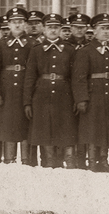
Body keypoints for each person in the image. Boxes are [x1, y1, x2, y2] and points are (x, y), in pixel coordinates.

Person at [24, 13, 77, 168]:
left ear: (60, 29)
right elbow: (29, 77)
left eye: (56, 27)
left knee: (65, 127)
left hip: (64, 93)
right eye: (50, 27)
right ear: (44, 29)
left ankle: (67, 160)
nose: (53, 31)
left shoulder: (69, 49)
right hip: (42, 94)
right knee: (44, 128)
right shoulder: (36, 50)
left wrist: (77, 98)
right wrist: (27, 101)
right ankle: (49, 160)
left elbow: (75, 76)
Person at [72, 13, 109, 172]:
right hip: (93, 95)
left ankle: (104, 161)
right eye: (102, 28)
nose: (106, 32)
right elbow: (79, 77)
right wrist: (81, 99)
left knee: (107, 127)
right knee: (93, 128)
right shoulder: (86, 51)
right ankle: (92, 162)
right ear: (94, 30)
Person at [0, 7, 33, 166]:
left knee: (26, 124)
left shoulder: (32, 44)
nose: (17, 25)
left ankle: (27, 161)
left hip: (25, 90)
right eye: (14, 22)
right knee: (7, 125)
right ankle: (9, 160)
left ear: (25, 24)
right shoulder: (1, 45)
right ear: (9, 24)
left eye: (20, 22)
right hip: (6, 92)